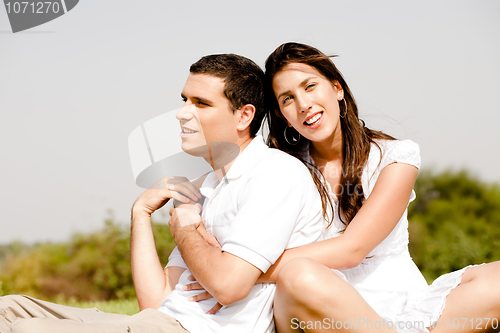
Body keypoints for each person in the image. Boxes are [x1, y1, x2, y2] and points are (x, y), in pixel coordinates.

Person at [0, 54, 324, 333]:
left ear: (244, 116)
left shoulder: (273, 174)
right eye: (184, 100)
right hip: (160, 323)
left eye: (201, 103)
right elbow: (156, 303)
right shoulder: (206, 187)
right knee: (8, 310)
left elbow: (229, 286)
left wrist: (185, 226)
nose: (183, 113)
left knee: (29, 329)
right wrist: (140, 213)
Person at [258, 42, 500, 333]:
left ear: (337, 89)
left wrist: (251, 270)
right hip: (320, 307)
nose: (303, 104)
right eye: (287, 99)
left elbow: (353, 250)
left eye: (309, 86)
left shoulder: (395, 157)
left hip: (404, 307)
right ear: (282, 114)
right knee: (298, 275)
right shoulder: (280, 169)